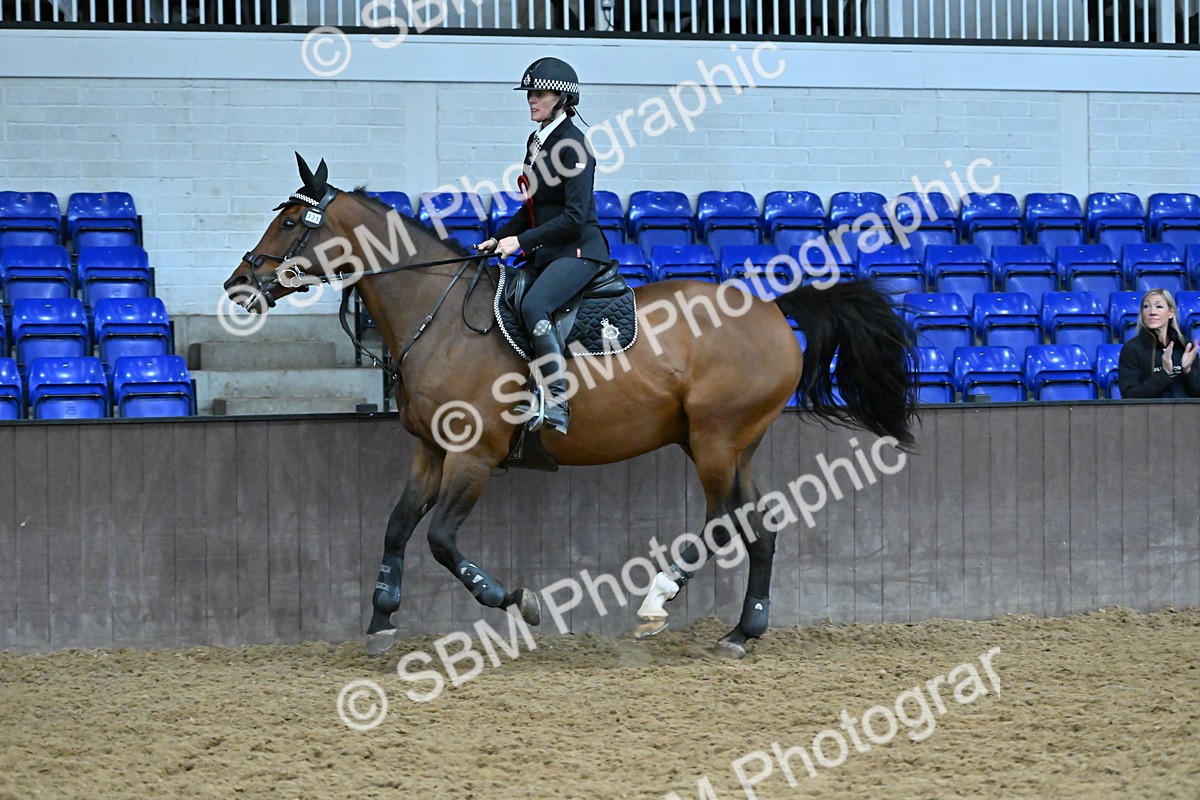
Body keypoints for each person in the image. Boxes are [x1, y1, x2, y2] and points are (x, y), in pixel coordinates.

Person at [476, 57, 610, 435]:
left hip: (580, 250)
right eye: (530, 93)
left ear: (563, 100)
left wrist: (519, 242)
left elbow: (572, 217)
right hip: (549, 250)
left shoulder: (574, 146)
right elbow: (533, 208)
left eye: (540, 93)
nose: (531, 100)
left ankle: (556, 400)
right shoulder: (537, 141)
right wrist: (500, 237)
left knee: (535, 304)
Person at [1117, 288, 1200, 398]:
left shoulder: (1185, 347)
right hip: (1148, 414)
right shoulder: (1132, 349)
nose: (1152, 312)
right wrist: (1164, 373)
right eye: (1146, 307)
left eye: (1159, 306)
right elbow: (1129, 396)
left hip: (1183, 414)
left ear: (1171, 313)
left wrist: (1188, 371)